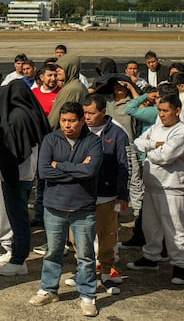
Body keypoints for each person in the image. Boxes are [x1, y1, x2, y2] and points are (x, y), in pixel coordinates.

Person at [29, 102, 103, 318]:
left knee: (86, 254)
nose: (67, 125)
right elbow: (43, 172)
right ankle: (48, 289)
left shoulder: (93, 142)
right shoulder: (51, 139)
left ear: (82, 120)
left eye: (71, 121)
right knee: (53, 251)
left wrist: (59, 165)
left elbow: (91, 171)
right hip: (54, 206)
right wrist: (77, 169)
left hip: (83, 207)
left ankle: (88, 295)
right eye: (63, 121)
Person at [0, 80, 52, 278]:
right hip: (27, 173)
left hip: (16, 175)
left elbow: (14, 149)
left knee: (18, 218)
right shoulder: (32, 113)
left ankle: (19, 259)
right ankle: (15, 252)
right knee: (17, 216)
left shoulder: (17, 117)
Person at [127, 94, 184, 287]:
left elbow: (166, 156)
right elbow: (138, 142)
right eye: (160, 110)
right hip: (152, 184)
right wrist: (153, 145)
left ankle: (179, 264)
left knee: (174, 227)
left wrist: (150, 150)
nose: (162, 114)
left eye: (166, 111)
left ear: (177, 111)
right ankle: (151, 256)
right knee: (150, 225)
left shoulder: (182, 131)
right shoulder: (157, 127)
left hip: (172, 186)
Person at [81, 94, 130, 294]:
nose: (87, 117)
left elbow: (124, 165)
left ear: (103, 112)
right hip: (82, 194)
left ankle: (107, 271)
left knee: (107, 236)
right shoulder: (79, 129)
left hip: (107, 195)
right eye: (84, 113)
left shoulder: (117, 133)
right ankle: (86, 272)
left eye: (91, 113)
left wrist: (123, 194)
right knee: (83, 236)